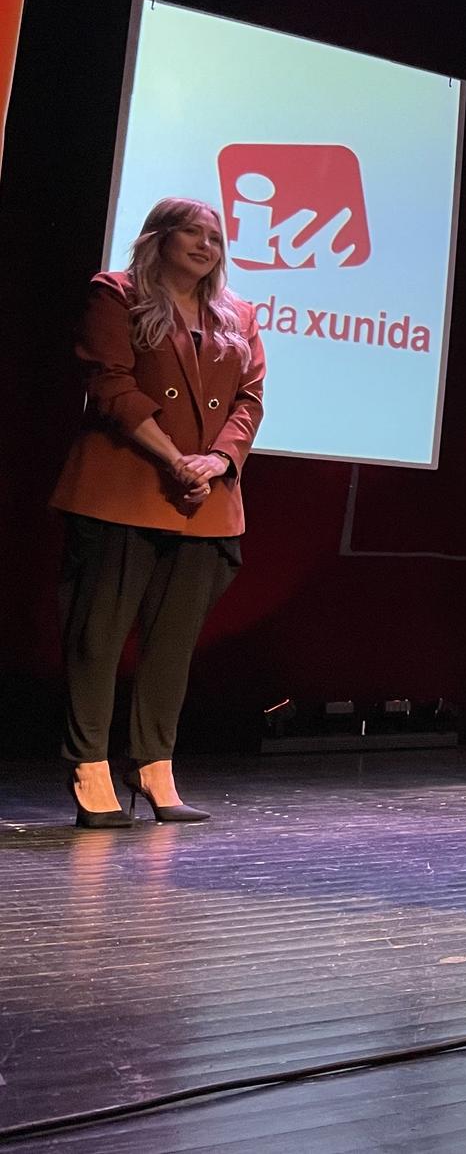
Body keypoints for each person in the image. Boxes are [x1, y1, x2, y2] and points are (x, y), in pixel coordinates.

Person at [50, 197, 265, 827]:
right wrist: (174, 459)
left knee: (172, 647)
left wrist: (217, 463)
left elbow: (249, 401)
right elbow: (111, 384)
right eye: (193, 233)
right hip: (122, 488)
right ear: (159, 239)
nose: (207, 246)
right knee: (98, 637)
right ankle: (90, 767)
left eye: (217, 237)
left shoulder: (239, 314)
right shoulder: (115, 294)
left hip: (205, 500)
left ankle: (154, 767)